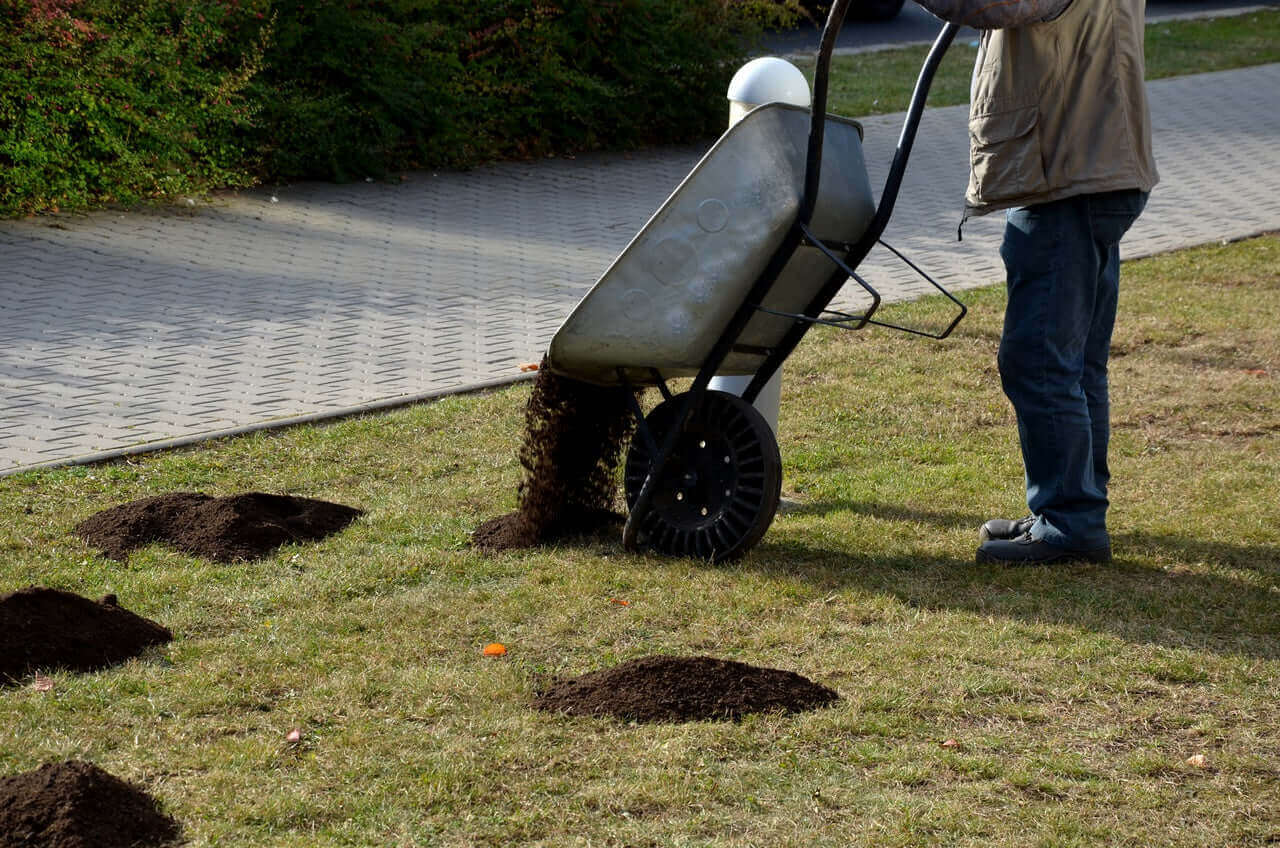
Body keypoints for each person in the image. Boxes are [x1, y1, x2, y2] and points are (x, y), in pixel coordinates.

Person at [911, 0, 1159, 563]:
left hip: (1071, 171)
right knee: (1075, 362)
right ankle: (1074, 507)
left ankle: (1069, 523)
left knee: (1040, 361)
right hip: (1091, 165)